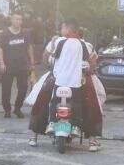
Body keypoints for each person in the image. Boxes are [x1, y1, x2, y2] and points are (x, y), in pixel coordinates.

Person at [29, 20, 102, 151]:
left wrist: (49, 64)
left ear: (68, 30)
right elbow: (91, 61)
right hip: (79, 80)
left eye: (62, 28)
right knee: (91, 102)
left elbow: (48, 56)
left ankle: (37, 133)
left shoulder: (57, 41)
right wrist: (91, 68)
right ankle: (90, 139)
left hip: (57, 79)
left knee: (43, 98)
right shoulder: (85, 45)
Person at [0, 13, 35, 119]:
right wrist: (1, 62)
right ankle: (7, 110)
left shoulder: (25, 33)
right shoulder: (5, 33)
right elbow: (0, 48)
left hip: (22, 65)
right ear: (11, 20)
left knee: (23, 88)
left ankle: (18, 108)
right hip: (8, 66)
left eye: (20, 20)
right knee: (6, 89)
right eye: (16, 19)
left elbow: (29, 48)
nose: (19, 21)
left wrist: (32, 62)